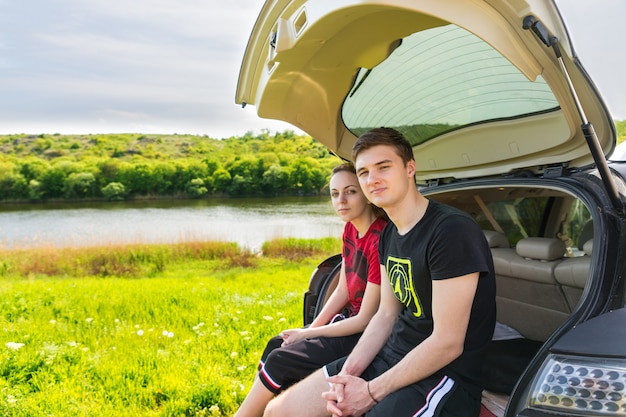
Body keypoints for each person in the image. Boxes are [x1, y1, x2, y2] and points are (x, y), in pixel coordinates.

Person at [263, 127, 496, 417]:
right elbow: (385, 314)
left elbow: (447, 343)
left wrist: (370, 393)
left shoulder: (450, 231)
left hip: (443, 376)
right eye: (363, 173)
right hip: (391, 355)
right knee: (277, 411)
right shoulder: (389, 235)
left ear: (409, 168)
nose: (372, 180)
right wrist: (347, 376)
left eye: (383, 167)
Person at [234, 163, 388, 417]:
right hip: (345, 325)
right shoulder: (350, 228)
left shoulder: (379, 239)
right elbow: (343, 290)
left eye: (350, 191)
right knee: (277, 344)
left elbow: (365, 320)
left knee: (279, 360)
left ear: (367, 194)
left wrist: (308, 335)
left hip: (364, 336)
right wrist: (311, 329)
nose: (341, 201)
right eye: (335, 194)